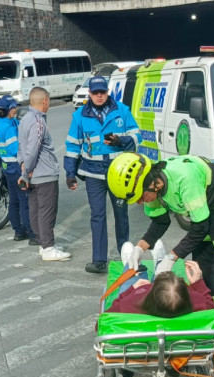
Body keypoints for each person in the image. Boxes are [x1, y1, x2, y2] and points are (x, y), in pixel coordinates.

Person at [107, 152, 214, 377]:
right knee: (202, 271)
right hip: (204, 209)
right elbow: (160, 222)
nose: (141, 203)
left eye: (142, 197)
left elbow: (200, 228)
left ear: (154, 182)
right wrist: (140, 248)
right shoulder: (153, 188)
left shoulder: (184, 179)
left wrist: (172, 257)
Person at [64, 76, 139, 274]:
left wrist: (120, 141)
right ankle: (99, 261)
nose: (99, 96)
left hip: (119, 174)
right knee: (97, 216)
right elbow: (73, 144)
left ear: (108, 92)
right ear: (89, 93)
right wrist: (70, 172)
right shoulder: (80, 115)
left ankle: (125, 257)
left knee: (121, 215)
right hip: (93, 174)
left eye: (102, 92)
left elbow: (137, 135)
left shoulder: (122, 110)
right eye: (95, 92)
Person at [18, 87, 70, 262]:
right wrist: (27, 170)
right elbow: (32, 150)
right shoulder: (38, 121)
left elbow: (21, 148)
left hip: (32, 175)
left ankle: (43, 244)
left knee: (36, 210)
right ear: (45, 101)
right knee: (47, 211)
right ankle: (48, 248)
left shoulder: (24, 119)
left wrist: (23, 167)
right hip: (43, 174)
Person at [0, 95, 37, 245]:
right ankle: (32, 233)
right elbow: (15, 149)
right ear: (9, 110)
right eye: (14, 107)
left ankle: (18, 231)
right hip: (16, 167)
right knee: (25, 200)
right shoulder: (9, 128)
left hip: (6, 167)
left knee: (14, 200)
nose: (16, 109)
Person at [106, 258, 214, 317]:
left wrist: (131, 291)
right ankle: (159, 262)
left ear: (151, 291)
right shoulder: (198, 302)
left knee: (133, 277)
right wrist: (198, 284)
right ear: (187, 295)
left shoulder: (131, 303)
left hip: (140, 354)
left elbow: (105, 320)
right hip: (183, 352)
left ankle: (131, 262)